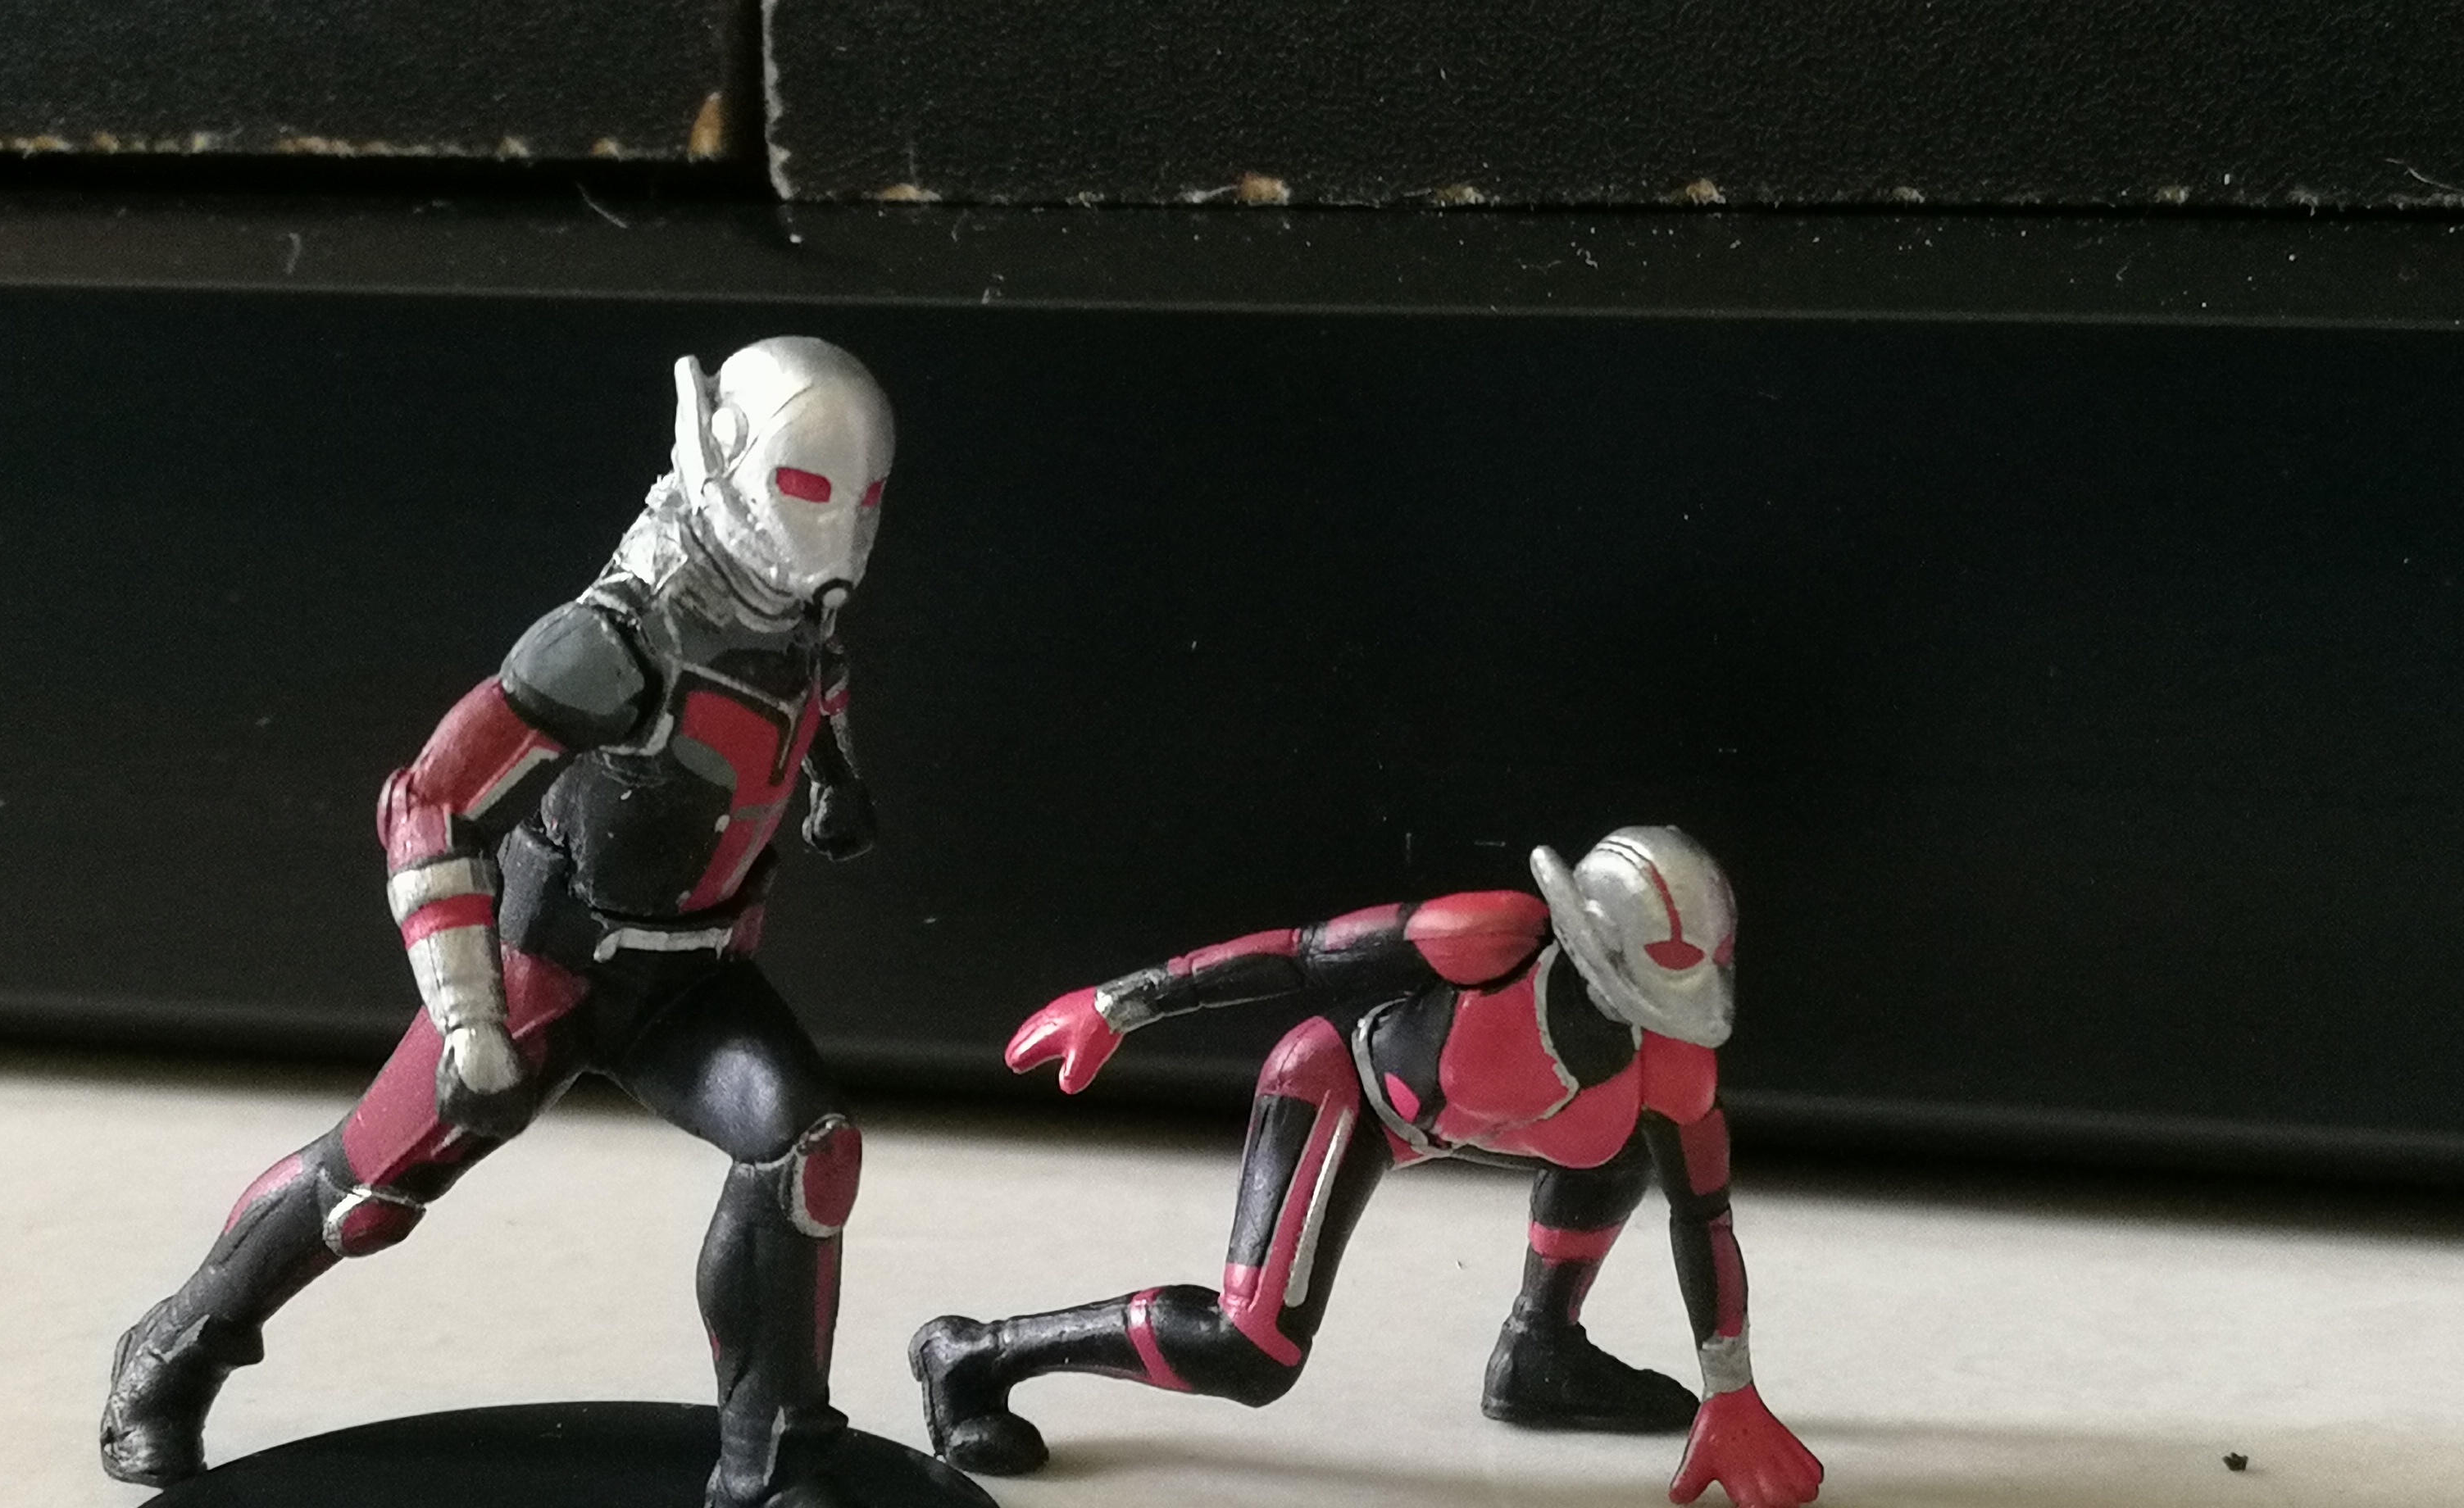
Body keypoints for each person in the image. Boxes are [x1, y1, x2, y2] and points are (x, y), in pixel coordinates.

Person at [102, 336, 896, 1508]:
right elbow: (428, 802)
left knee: (805, 1151)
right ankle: (173, 1348)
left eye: (863, 500)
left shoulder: (800, 618)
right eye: (809, 489)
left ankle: (772, 1466)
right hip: (548, 961)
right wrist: (470, 1015)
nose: (835, 529)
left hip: (694, 977)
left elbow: (815, 695)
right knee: (367, 1195)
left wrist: (833, 779)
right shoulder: (619, 640)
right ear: (726, 465)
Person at [911, 827, 1824, 1508]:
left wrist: (1732, 1389)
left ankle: (1540, 1350)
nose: (1644, 1018)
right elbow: (1303, 953)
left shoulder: (1673, 1069)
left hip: (1476, 1126)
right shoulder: (1491, 942)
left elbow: (1704, 1215)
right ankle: (975, 1355)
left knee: (1626, 1146)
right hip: (1348, 1088)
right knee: (1251, 1351)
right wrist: (1124, 1001)